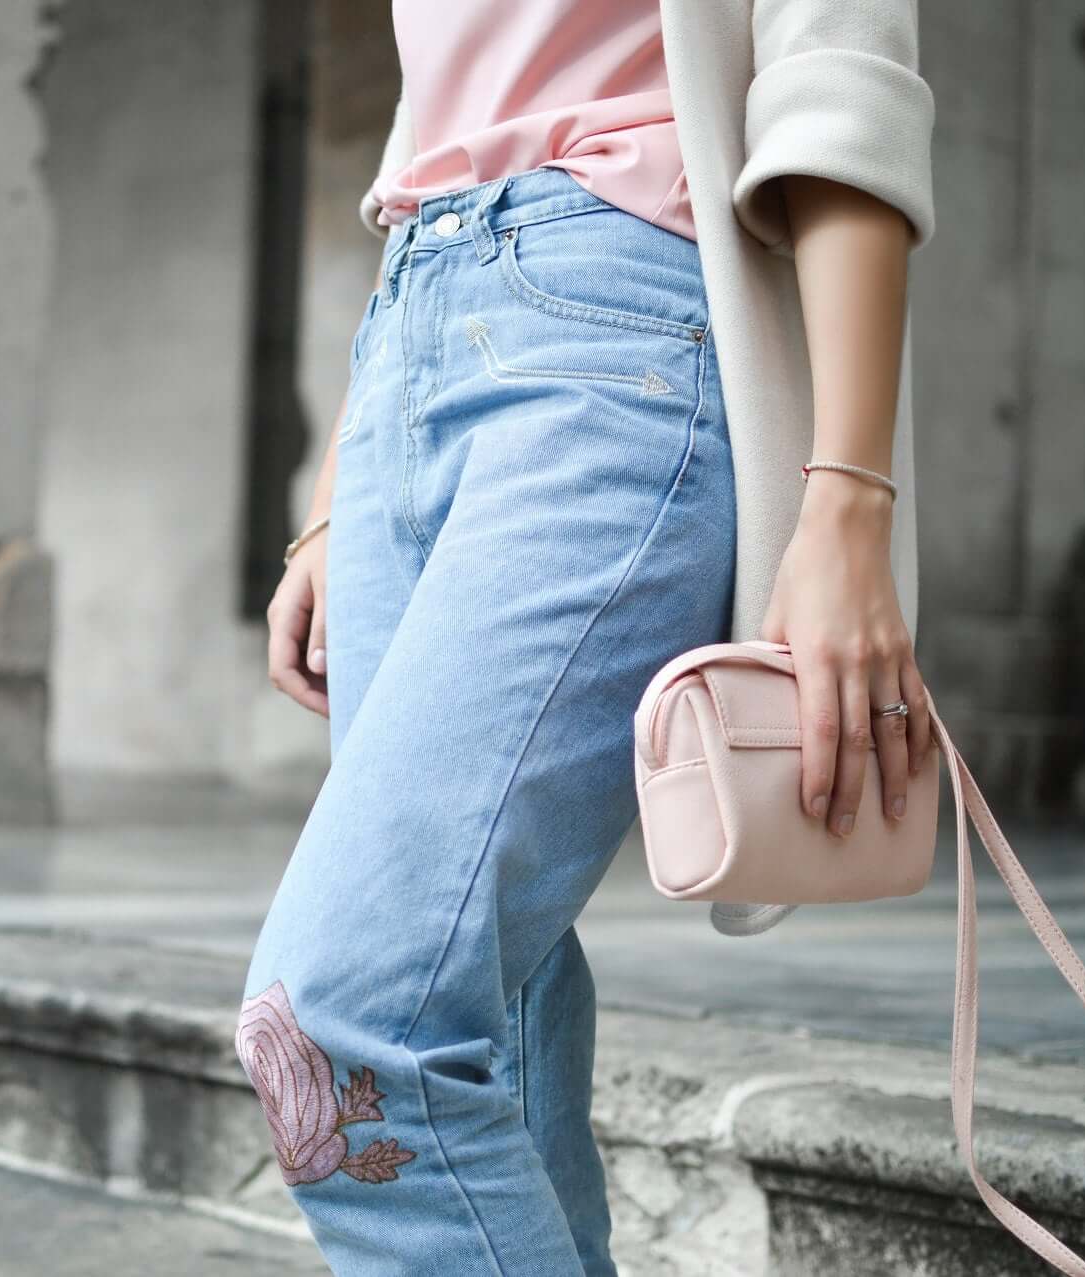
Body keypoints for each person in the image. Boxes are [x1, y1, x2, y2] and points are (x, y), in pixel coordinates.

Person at [237, 1, 937, 1271]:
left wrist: (847, 501)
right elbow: (440, 122)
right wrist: (341, 484)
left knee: (342, 1022)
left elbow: (839, 79)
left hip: (615, 337)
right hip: (410, 335)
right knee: (488, 1011)